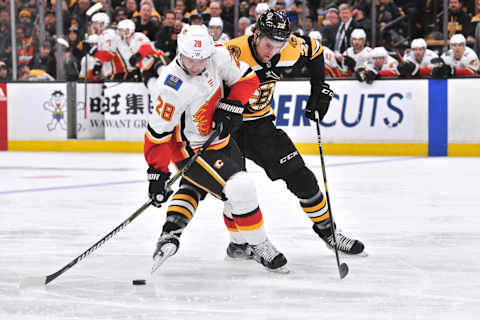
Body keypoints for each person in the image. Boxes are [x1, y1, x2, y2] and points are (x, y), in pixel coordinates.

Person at [161, 9, 365, 261]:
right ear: (256, 34)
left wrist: (319, 88)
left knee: (302, 178)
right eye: (268, 44)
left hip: (260, 125)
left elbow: (315, 51)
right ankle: (224, 241)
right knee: (222, 188)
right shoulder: (230, 50)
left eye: (279, 46)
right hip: (225, 128)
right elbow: (195, 68)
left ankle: (329, 232)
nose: (272, 52)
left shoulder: (289, 46)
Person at [142, 24, 288, 272]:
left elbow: (247, 79)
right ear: (180, 52)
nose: (197, 65)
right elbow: (158, 133)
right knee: (240, 187)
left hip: (220, 140)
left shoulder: (217, 55)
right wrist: (157, 172)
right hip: (191, 149)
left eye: (202, 59)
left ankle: (226, 243)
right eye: (190, 59)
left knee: (223, 192)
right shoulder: (170, 86)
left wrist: (232, 106)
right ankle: (260, 246)